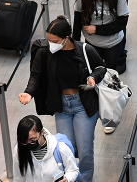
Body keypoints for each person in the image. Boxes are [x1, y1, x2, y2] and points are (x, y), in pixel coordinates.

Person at [18, 16, 106, 182]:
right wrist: (29, 93)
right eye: (48, 39)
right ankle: (69, 178)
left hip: (83, 104)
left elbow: (101, 66)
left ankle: (85, 179)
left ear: (66, 39)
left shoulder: (85, 49)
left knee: (85, 149)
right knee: (66, 148)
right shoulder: (45, 52)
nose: (50, 43)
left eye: (54, 40)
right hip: (62, 106)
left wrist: (93, 77)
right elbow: (36, 75)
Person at [73, 0, 129, 77]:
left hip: (113, 42)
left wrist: (96, 29)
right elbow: (77, 20)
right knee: (94, 74)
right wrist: (75, 45)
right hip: (92, 42)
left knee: (109, 76)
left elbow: (122, 23)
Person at [13, 115, 79, 182]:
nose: (28, 143)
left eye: (32, 140)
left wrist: (67, 179)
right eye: (24, 141)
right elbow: (18, 177)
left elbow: (73, 170)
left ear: (42, 132)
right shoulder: (19, 150)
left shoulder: (60, 148)